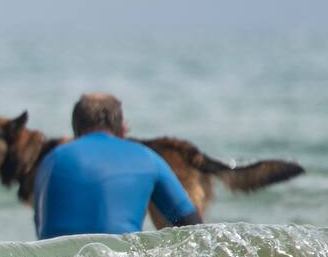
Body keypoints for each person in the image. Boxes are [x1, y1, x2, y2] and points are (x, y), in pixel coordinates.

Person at [33, 93, 203, 240]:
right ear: (122, 128)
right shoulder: (147, 157)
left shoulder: (51, 161)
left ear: (75, 129)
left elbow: (41, 229)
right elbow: (192, 225)